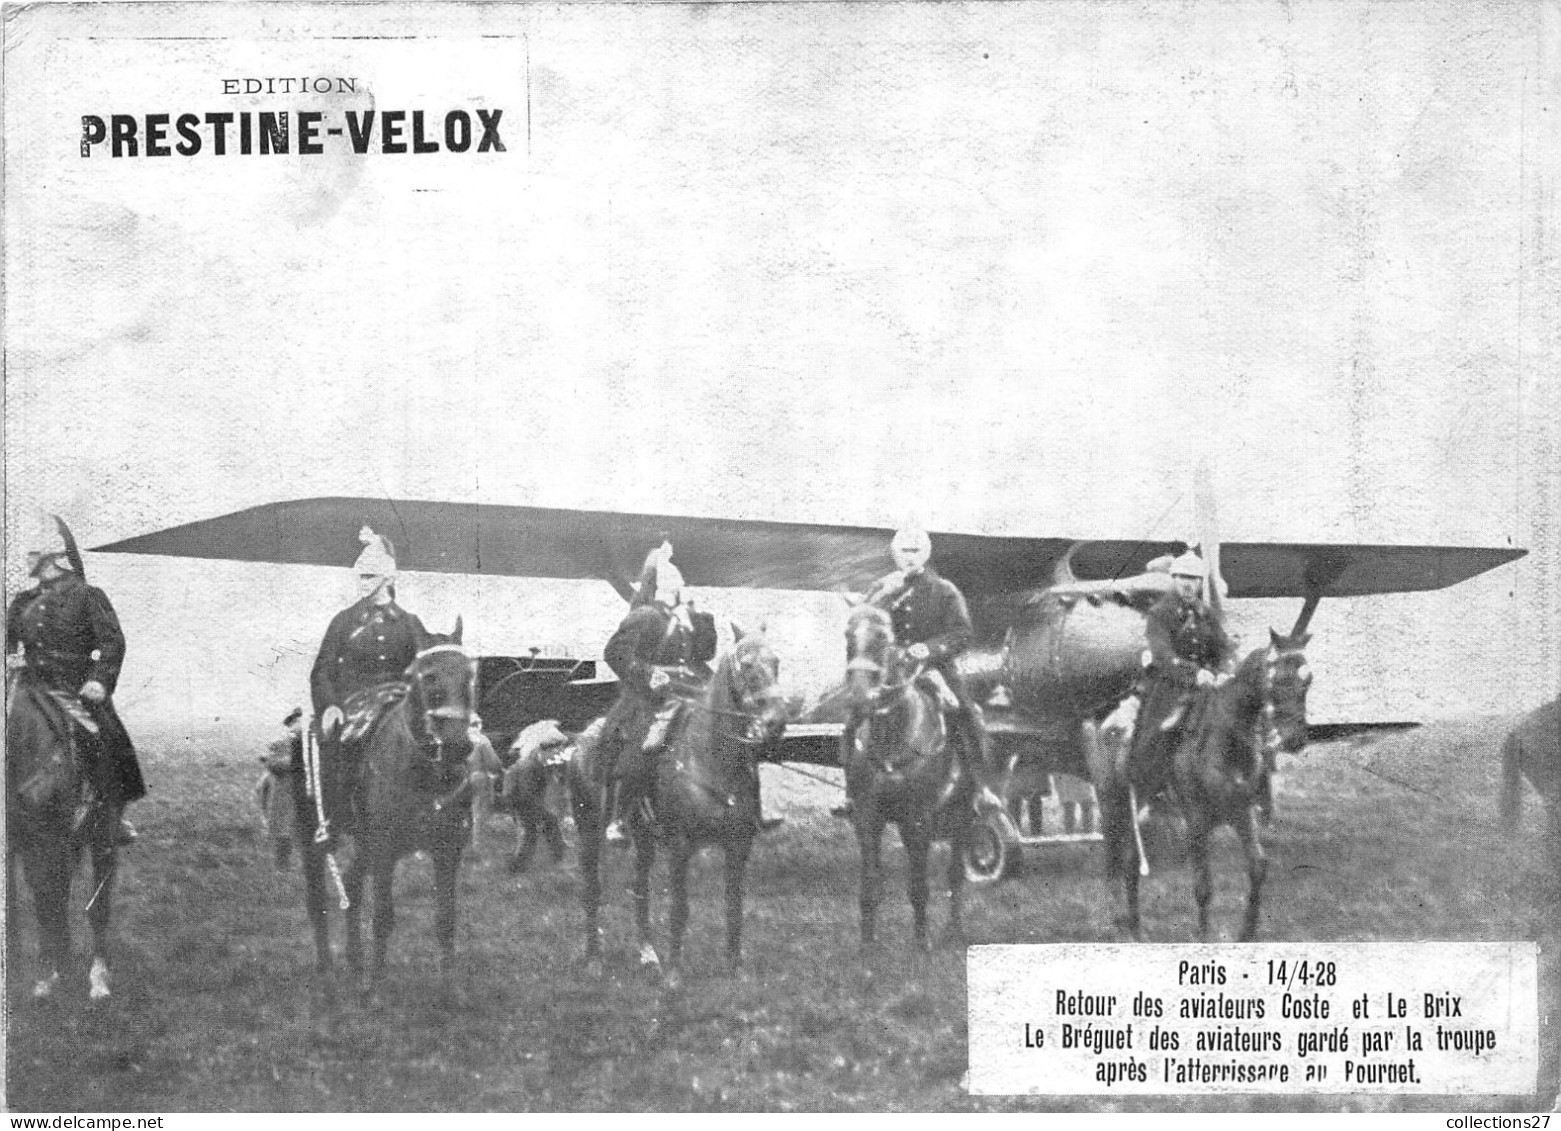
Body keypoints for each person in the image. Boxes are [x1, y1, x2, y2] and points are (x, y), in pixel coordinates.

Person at [834, 526, 1003, 819]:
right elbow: (865, 623)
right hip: (890, 671)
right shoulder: (880, 588)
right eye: (903, 551)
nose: (909, 557)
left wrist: (929, 648)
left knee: (968, 714)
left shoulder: (944, 590)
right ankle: (853, 794)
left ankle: (982, 789)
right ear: (895, 554)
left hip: (934, 670)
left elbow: (962, 634)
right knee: (853, 718)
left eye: (915, 551)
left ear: (924, 553)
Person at [5, 514, 144, 844]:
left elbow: (112, 643)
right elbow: (8, 639)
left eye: (31, 553)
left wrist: (100, 681)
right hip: (25, 684)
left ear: (51, 557)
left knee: (105, 738)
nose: (25, 559)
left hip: (73, 687)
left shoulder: (87, 596)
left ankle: (110, 817)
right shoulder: (23, 601)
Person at [307, 526, 429, 840]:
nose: (364, 584)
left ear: (389, 578)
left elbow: (422, 669)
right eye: (361, 577)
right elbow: (321, 671)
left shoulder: (409, 623)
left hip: (399, 701)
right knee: (340, 745)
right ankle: (333, 818)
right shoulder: (343, 622)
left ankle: (430, 814)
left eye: (370, 577)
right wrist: (330, 705)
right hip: (354, 704)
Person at [600, 540, 717, 845]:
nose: (679, 580)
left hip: (683, 693)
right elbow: (614, 652)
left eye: (679, 577)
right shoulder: (646, 616)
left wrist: (698, 614)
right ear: (659, 584)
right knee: (643, 748)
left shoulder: (682, 619)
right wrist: (648, 673)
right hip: (646, 697)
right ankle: (621, 818)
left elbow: (704, 653)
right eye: (672, 576)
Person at [1105, 548, 1235, 775]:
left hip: (1208, 686)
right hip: (1170, 686)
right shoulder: (1160, 614)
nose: (1188, 584)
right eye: (1183, 578)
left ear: (1199, 583)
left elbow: (1223, 648)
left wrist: (1223, 670)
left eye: (1193, 579)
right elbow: (1162, 655)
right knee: (1154, 736)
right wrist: (1194, 673)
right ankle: (1152, 790)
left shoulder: (1206, 614)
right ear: (1174, 580)